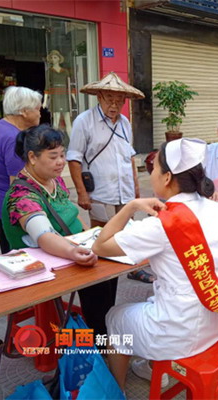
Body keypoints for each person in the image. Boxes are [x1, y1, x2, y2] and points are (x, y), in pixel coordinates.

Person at [92, 138, 218, 391]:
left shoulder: (160, 224)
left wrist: (130, 206)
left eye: (153, 168)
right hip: (217, 319)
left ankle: (116, 390)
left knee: (116, 316)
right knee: (153, 301)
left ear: (166, 178)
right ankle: (154, 366)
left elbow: (100, 246)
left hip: (178, 331)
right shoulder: (217, 210)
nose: (150, 174)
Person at [1, 124, 127, 337]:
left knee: (109, 267)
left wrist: (92, 236)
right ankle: (100, 336)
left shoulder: (54, 180)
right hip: (43, 260)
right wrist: (73, 251)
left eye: (62, 155)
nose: (61, 162)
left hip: (68, 247)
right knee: (97, 276)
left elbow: (71, 214)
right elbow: (44, 236)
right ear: (32, 157)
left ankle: (102, 327)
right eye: (53, 156)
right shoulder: (21, 195)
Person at [67, 72, 152, 283]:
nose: (114, 105)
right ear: (99, 97)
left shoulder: (124, 122)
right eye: (109, 99)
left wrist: (136, 188)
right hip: (99, 191)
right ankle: (103, 274)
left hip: (125, 189)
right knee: (100, 233)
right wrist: (81, 193)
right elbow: (74, 158)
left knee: (128, 231)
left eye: (119, 100)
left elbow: (129, 157)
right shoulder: (84, 122)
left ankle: (131, 268)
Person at [0, 86, 42, 254]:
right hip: (11, 209)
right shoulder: (14, 138)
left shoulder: (1, 126)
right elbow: (17, 185)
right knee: (19, 257)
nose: (40, 113)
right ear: (24, 112)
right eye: (38, 109)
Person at [42, 50, 76, 135]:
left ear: (59, 59)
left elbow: (70, 85)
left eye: (55, 57)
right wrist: (45, 101)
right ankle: (54, 141)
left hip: (64, 95)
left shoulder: (65, 71)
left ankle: (72, 142)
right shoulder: (49, 71)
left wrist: (74, 98)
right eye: (52, 58)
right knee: (56, 120)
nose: (53, 59)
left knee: (68, 120)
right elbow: (47, 86)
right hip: (55, 95)